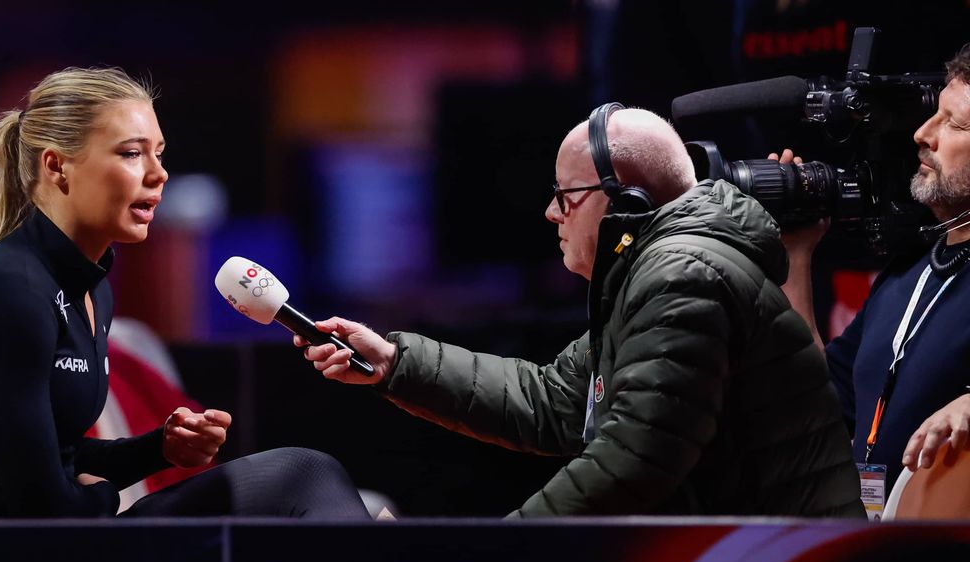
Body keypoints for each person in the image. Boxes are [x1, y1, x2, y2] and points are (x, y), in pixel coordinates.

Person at [297, 104, 864, 517]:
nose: (551, 213)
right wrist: (396, 361)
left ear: (627, 202)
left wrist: (481, 555)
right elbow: (555, 399)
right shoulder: (669, 268)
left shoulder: (681, 276)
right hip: (749, 561)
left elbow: (634, 461)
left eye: (565, 196)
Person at [0, 66, 369, 520]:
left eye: (159, 153)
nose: (158, 173)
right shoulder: (10, 290)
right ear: (57, 166)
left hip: (61, 542)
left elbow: (53, 453)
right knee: (304, 474)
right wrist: (106, 496)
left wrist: (158, 449)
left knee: (306, 477)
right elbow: (42, 509)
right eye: (131, 153)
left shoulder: (87, 286)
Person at [780, 43, 970, 506]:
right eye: (933, 116)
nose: (922, 134)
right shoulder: (907, 273)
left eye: (956, 123)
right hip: (876, 543)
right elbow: (814, 399)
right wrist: (795, 253)